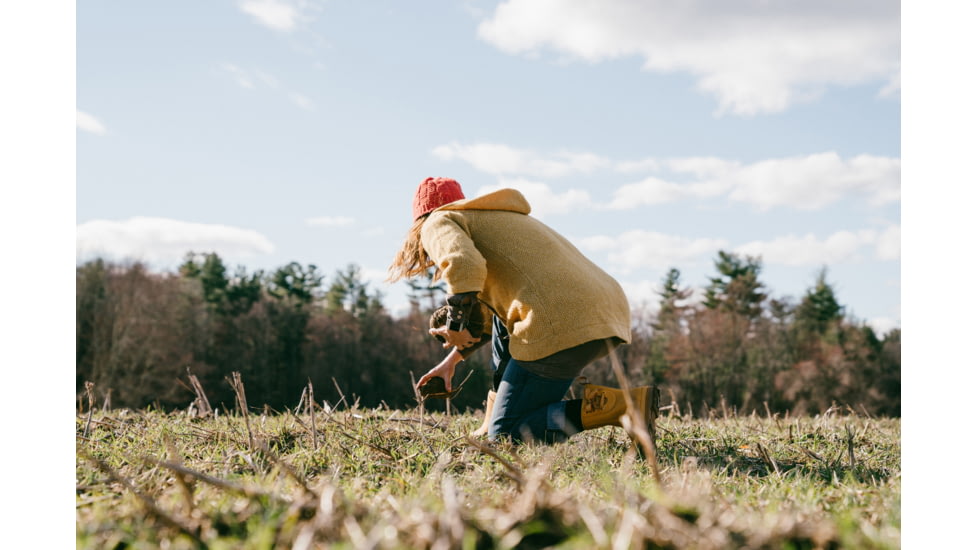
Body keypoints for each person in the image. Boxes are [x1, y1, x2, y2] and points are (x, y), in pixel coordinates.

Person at [388, 177, 657, 444]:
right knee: (502, 325)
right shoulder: (499, 220)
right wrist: (451, 362)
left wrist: (455, 325)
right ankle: (492, 421)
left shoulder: (439, 220)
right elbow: (489, 319)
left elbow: (463, 265)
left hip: (557, 319)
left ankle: (626, 407)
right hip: (603, 310)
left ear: (420, 217)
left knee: (509, 433)